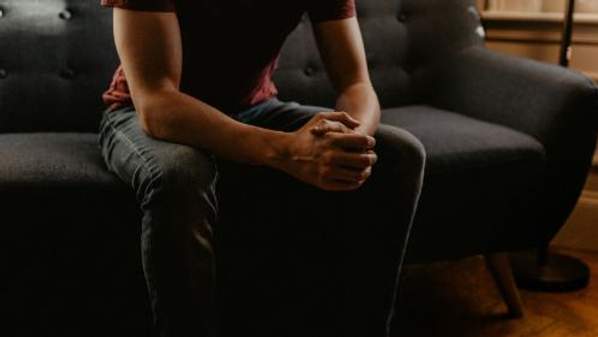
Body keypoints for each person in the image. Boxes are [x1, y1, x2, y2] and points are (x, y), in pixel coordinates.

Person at [98, 1, 426, 336]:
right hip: (139, 113)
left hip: (254, 109)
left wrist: (348, 143)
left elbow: (356, 84)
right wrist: (287, 151)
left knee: (399, 153)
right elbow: (156, 103)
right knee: (181, 175)